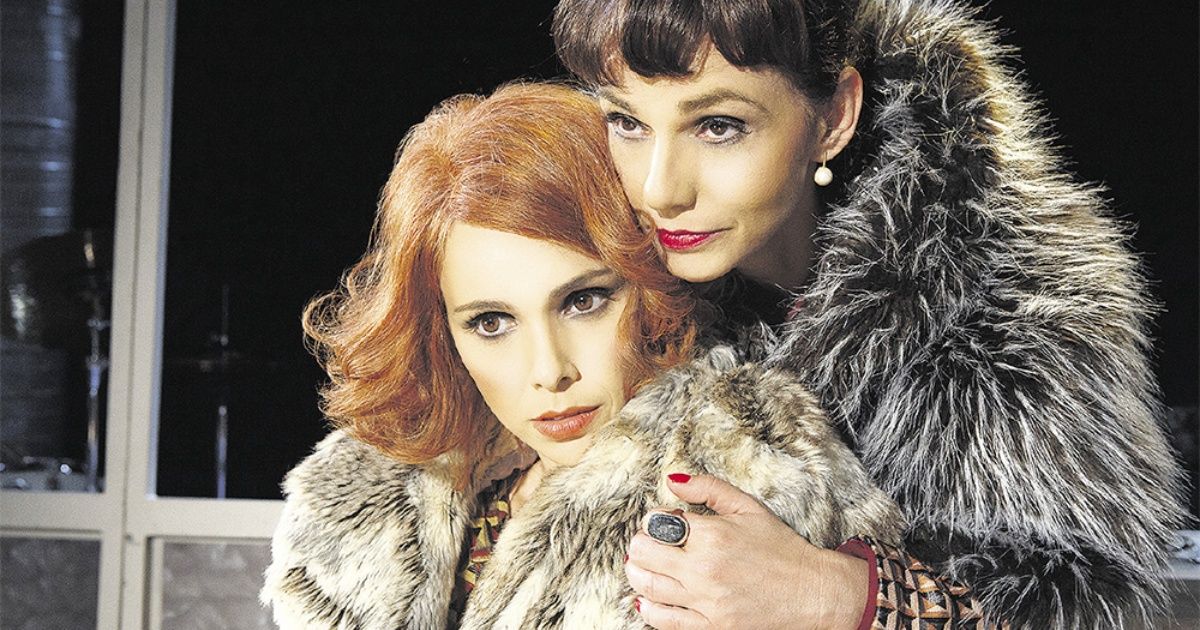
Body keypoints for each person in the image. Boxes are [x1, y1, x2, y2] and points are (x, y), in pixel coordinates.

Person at [551, 0, 1185, 628]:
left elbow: (1087, 592)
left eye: (718, 126)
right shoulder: (601, 275)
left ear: (834, 117)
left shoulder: (1010, 304)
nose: (660, 189)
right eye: (627, 122)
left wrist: (840, 597)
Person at [259, 82, 903, 628]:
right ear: (441, 333)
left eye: (583, 301)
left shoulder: (754, 467)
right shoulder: (365, 502)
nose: (549, 371)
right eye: (490, 322)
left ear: (651, 286)